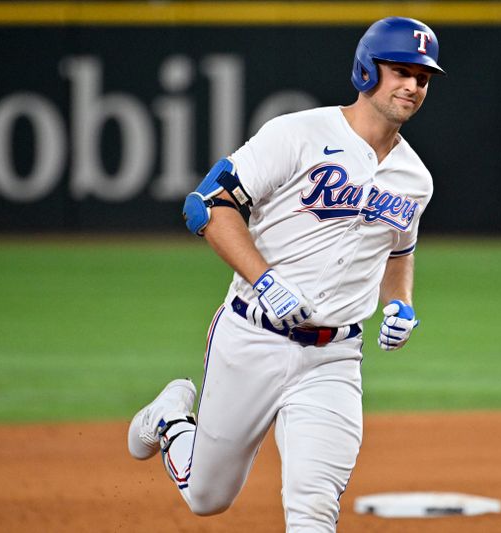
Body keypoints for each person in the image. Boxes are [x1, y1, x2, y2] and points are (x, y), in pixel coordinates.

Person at [127, 16, 445, 532]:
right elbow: (206, 206)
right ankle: (170, 419)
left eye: (423, 77)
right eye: (400, 70)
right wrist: (265, 279)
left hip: (333, 358)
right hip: (252, 338)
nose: (412, 85)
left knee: (314, 508)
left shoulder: (416, 179)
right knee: (207, 497)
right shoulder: (298, 134)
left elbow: (398, 250)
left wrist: (401, 303)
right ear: (367, 70)